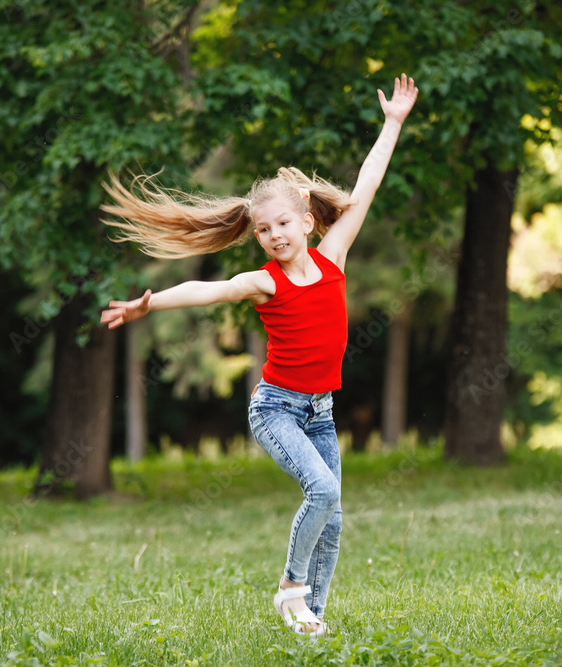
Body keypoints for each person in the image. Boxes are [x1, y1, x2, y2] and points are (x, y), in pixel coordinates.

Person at [99, 74, 418, 637]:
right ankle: (291, 591)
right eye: (264, 230)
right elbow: (208, 291)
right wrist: (151, 305)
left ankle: (310, 621)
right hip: (276, 409)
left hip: (319, 410)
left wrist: (392, 123)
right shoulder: (265, 282)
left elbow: (366, 186)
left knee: (334, 516)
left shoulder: (334, 256)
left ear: (307, 222)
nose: (273, 235)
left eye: (283, 224)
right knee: (322, 491)